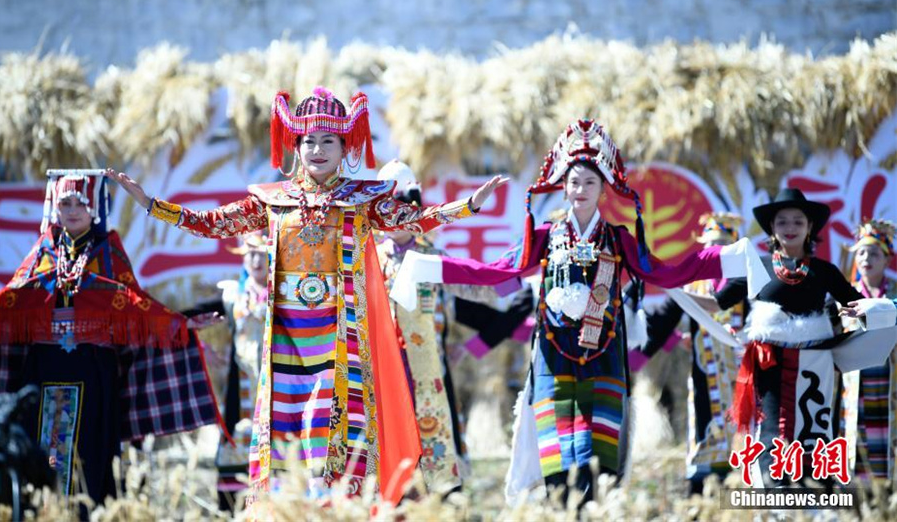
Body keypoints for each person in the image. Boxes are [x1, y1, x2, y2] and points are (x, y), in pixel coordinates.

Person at [107, 87, 508, 504]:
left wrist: (468, 207)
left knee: (327, 439)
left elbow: (415, 218)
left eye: (328, 141)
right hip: (286, 341)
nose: (317, 149)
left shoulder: (360, 200)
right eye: (308, 141)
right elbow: (212, 223)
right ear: (295, 146)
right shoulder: (273, 202)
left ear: (344, 146)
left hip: (339, 341)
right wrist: (152, 205)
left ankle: (331, 511)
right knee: (285, 446)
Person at [389, 119, 767, 504]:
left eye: (589, 181)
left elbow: (666, 272)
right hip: (555, 358)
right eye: (573, 182)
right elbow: (495, 272)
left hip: (604, 356)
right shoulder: (545, 238)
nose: (580, 189)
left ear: (604, 188)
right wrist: (424, 266)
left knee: (597, 465)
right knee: (557, 464)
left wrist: (731, 258)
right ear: (563, 187)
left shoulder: (618, 238)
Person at [0, 171, 220, 508]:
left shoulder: (109, 253)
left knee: (91, 446)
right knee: (43, 448)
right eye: (65, 203)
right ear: (55, 207)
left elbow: (135, 303)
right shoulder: (43, 252)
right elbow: (13, 298)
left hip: (93, 369)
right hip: (43, 368)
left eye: (79, 203)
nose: (72, 210)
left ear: (94, 209)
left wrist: (180, 323)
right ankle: (45, 509)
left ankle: (86, 511)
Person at [712, 189, 897, 488]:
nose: (790, 227)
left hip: (816, 368)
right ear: (772, 228)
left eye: (798, 221)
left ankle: (817, 504)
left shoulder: (824, 271)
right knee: (772, 434)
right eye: (782, 221)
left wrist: (888, 313)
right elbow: (718, 303)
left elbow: (856, 307)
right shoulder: (756, 266)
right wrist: (673, 287)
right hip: (770, 368)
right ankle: (776, 505)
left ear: (810, 227)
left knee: (816, 435)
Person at [374, 160, 531, 494]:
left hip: (426, 367)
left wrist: (516, 276)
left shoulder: (431, 256)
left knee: (434, 446)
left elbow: (474, 282)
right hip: (381, 369)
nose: (392, 220)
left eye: (399, 210)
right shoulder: (369, 257)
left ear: (414, 211)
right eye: (383, 211)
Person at [638, 212, 747, 495]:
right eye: (709, 245)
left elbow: (745, 313)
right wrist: (634, 354)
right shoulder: (693, 284)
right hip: (705, 374)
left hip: (745, 374)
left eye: (723, 244)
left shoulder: (745, 280)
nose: (715, 251)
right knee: (704, 422)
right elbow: (661, 323)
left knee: (744, 431)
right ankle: (702, 486)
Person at [181, 231, 270, 510]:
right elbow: (193, 315)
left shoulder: (285, 294)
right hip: (241, 384)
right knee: (235, 450)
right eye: (249, 253)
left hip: (276, 383)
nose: (256, 260)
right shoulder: (233, 295)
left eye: (262, 253)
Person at [838, 219, 897, 479]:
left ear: (886, 259)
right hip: (855, 388)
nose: (866, 258)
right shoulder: (846, 295)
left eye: (874, 253)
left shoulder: (894, 295)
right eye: (861, 252)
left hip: (890, 383)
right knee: (856, 448)